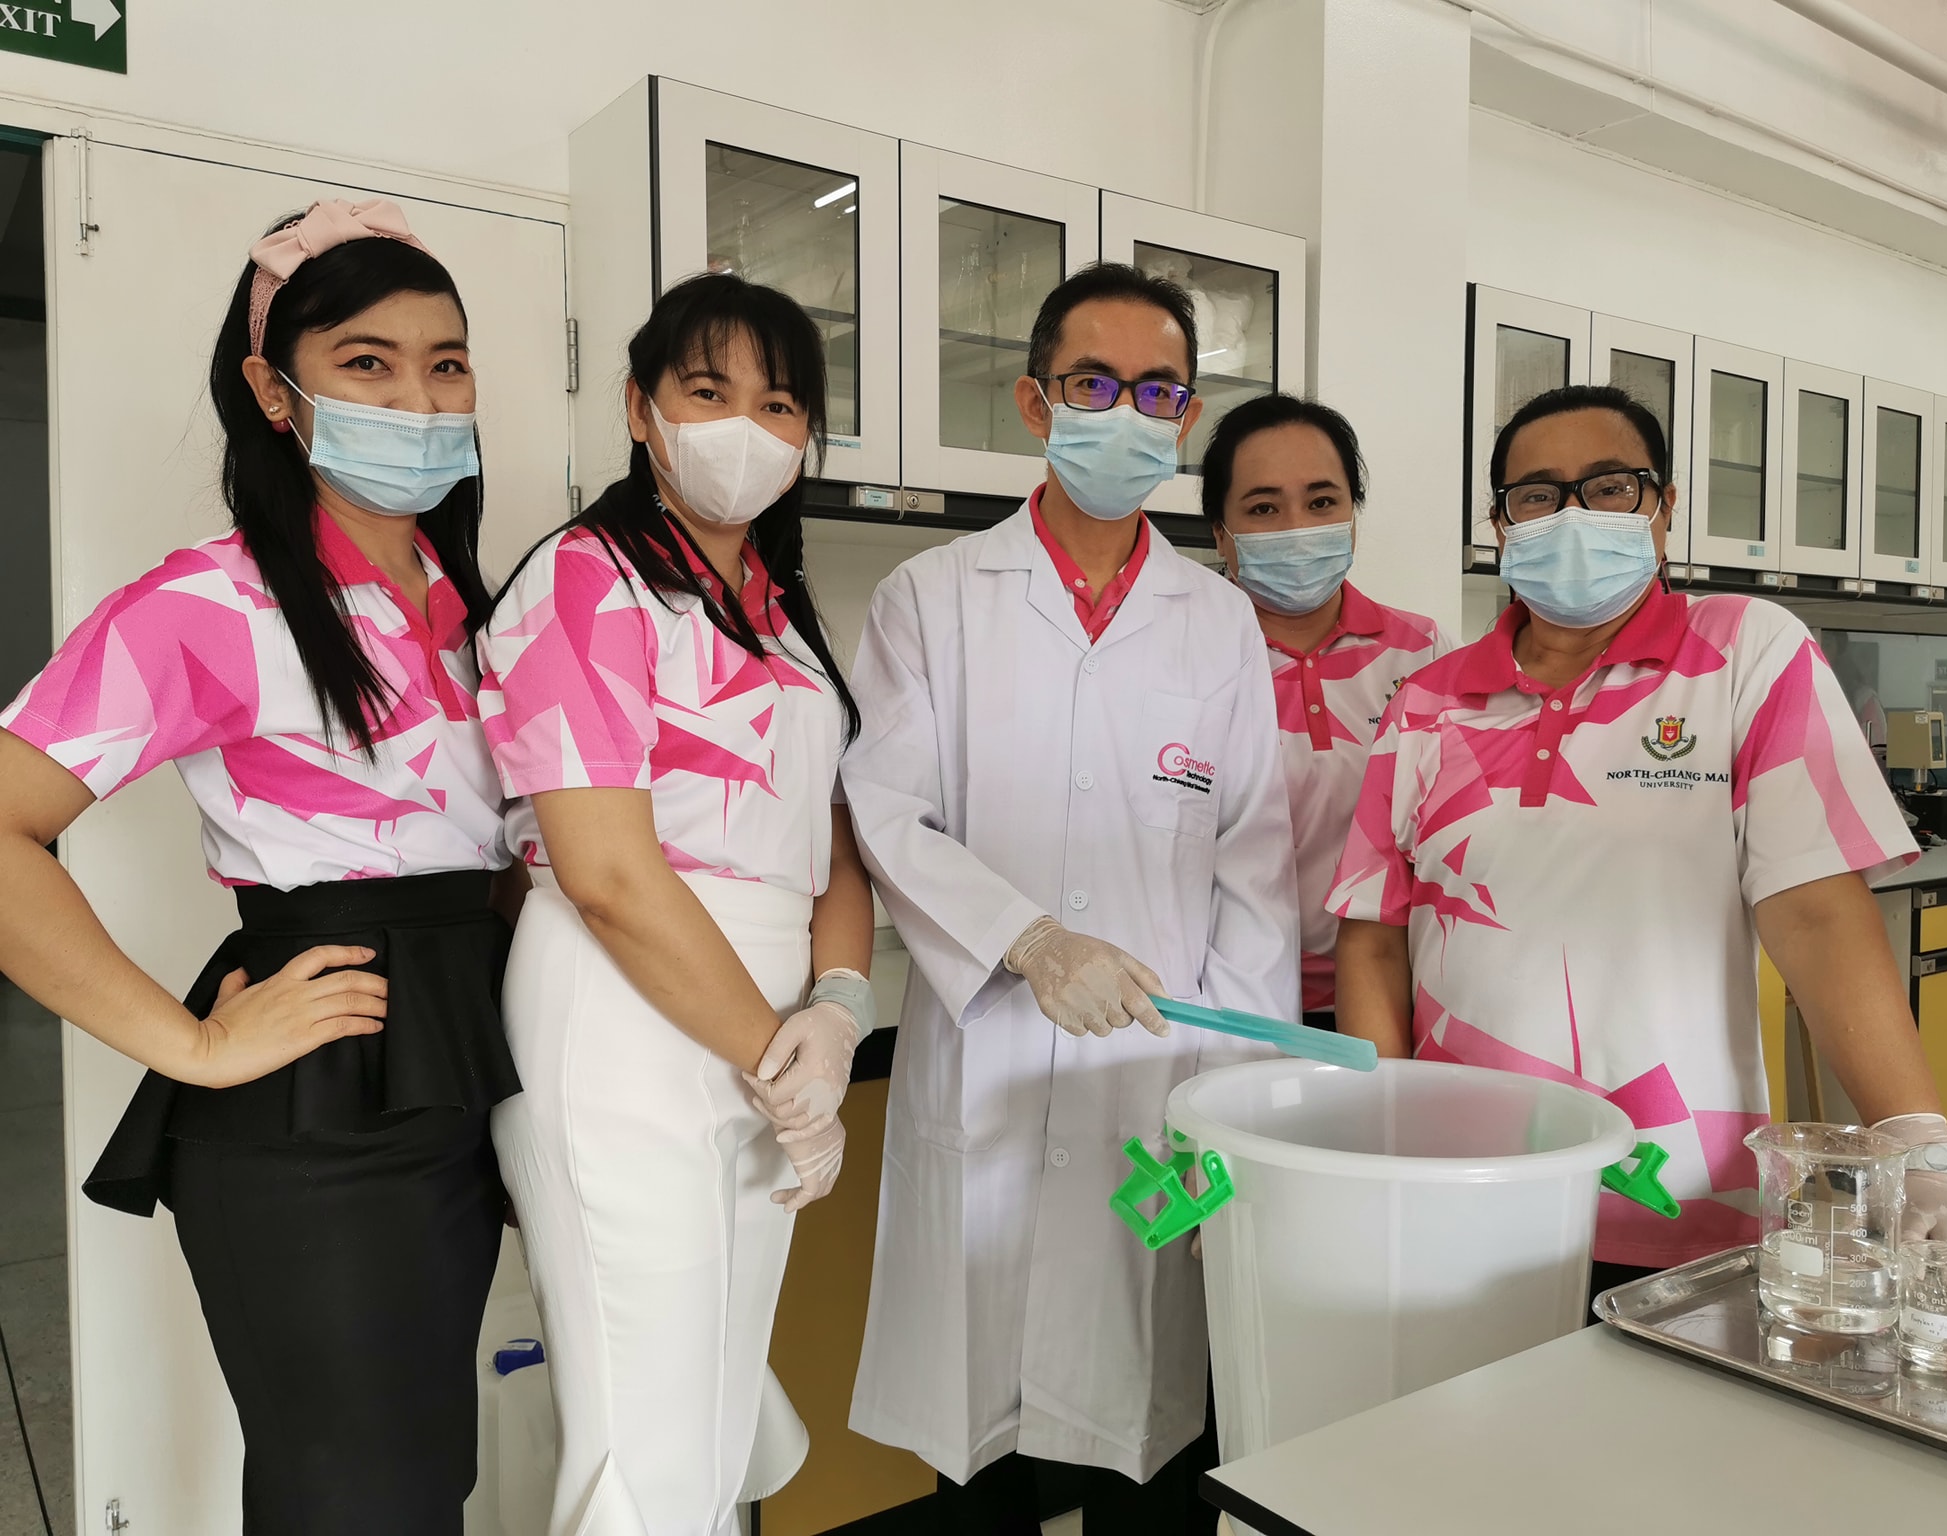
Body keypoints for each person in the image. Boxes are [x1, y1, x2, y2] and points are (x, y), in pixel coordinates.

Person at [0, 199, 522, 1533]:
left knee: (422, 1482)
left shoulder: (471, 605)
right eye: (367, 362)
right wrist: (188, 1045)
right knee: (359, 1499)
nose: (418, 399)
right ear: (274, 391)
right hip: (316, 1108)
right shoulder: (210, 604)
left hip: (462, 1066)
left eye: (445, 363)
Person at [1327, 383, 1947, 1297]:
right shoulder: (1428, 700)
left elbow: (1814, 911)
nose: (1574, 515)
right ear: (1500, 525)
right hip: (1468, 1175)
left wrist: (1917, 1143)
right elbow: (1375, 934)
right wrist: (1385, 1140)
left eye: (1610, 486)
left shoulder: (1743, 652)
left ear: (1664, 507)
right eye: (1538, 495)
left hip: (1677, 1182)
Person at [843, 262, 1298, 1533]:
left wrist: (1232, 1107)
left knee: (1145, 1447)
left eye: (1157, 390)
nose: (1126, 412)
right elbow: (884, 810)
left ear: (1184, 417)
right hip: (984, 1056)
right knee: (979, 1458)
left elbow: (1253, 873)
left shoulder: (1217, 622)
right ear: (1035, 403)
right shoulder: (932, 598)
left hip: (1160, 1084)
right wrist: (1029, 941)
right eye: (1093, 383)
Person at [478, 271, 872, 1536]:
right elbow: (605, 874)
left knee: (713, 1405)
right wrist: (778, 1057)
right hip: (624, 1015)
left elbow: (830, 837)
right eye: (707, 391)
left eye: (779, 405)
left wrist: (838, 1007)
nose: (743, 427)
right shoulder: (584, 580)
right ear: (639, 408)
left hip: (767, 1033)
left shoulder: (780, 611)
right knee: (642, 1434)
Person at [1201, 393, 1448, 1028]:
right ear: (1221, 533)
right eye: (1263, 508)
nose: (1297, 528)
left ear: (1352, 515)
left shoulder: (1423, 655)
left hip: (1394, 995)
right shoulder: (1187, 660)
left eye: (1321, 502)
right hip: (1230, 1000)